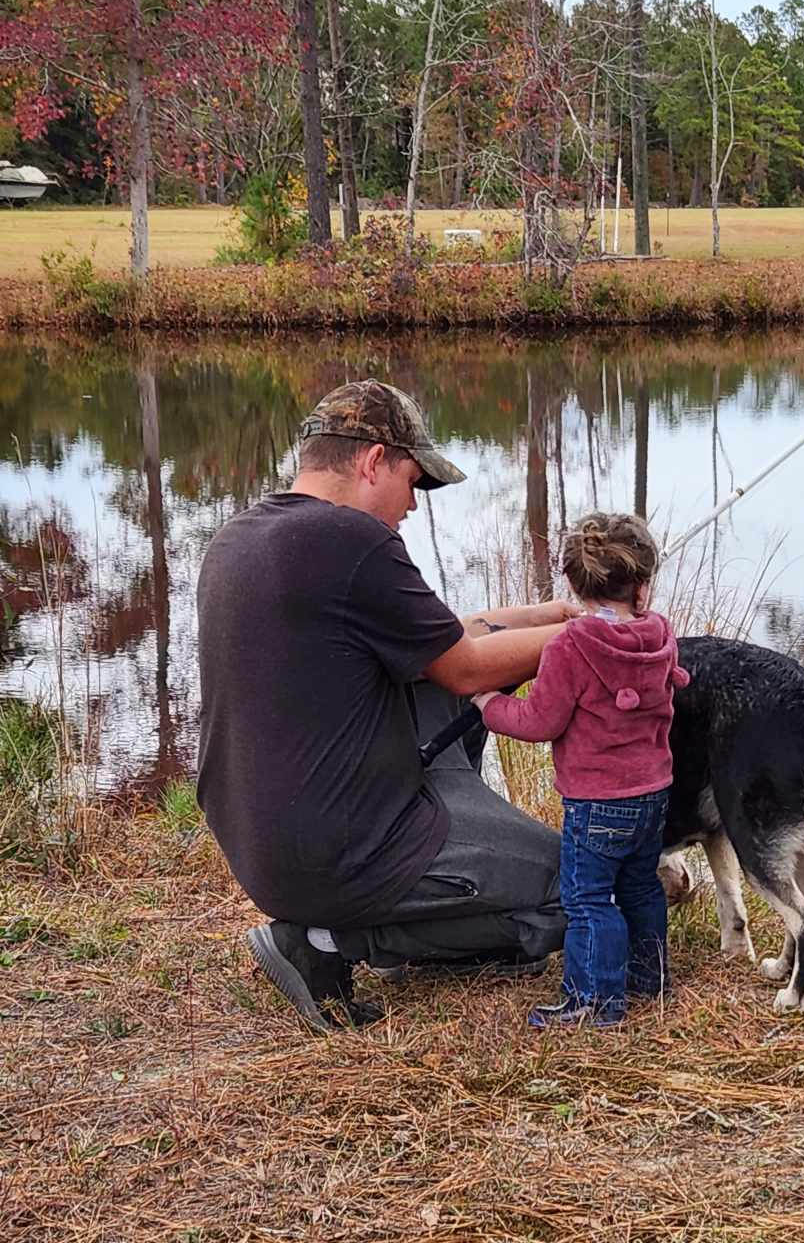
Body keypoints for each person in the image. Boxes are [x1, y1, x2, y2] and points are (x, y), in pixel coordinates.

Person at [196, 379, 573, 1034]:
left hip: (269, 840)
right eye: (411, 480)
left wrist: (548, 615)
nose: (413, 506)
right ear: (373, 461)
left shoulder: (246, 535)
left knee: (433, 681)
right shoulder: (349, 540)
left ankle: (402, 905)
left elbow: (439, 640)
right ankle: (326, 942)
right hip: (340, 850)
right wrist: (599, 637)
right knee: (581, 886)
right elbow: (465, 667)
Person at [477, 511, 687, 1030]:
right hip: (655, 791)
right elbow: (675, 678)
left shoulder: (570, 646)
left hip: (597, 801)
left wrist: (486, 702)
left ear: (573, 582)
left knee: (589, 898)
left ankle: (594, 999)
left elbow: (539, 720)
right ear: (642, 587)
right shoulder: (659, 633)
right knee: (639, 885)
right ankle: (648, 978)